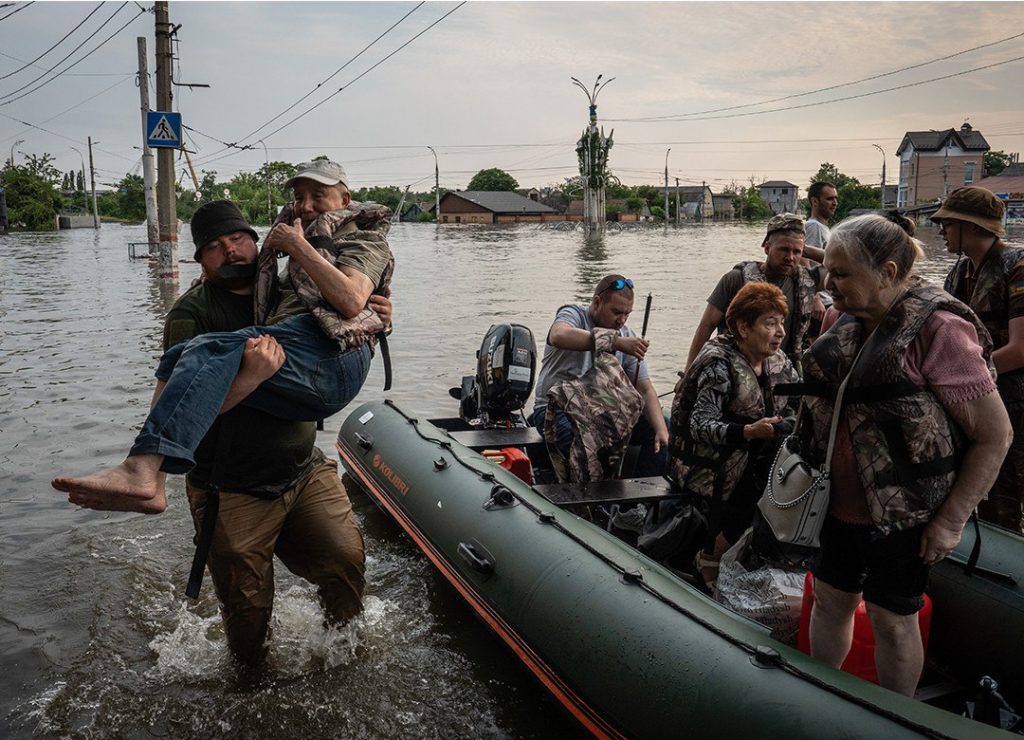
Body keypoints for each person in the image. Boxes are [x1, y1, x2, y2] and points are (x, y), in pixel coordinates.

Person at [53, 160, 393, 515]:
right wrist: (249, 377)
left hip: (301, 464)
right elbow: (187, 397)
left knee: (343, 565)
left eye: (236, 239)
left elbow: (351, 302)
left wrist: (381, 317)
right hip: (233, 481)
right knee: (183, 356)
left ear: (255, 242)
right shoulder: (193, 310)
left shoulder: (301, 268)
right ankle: (147, 473)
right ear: (199, 260)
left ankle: (144, 470)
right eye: (214, 246)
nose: (229, 250)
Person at [800, 214, 1011, 696]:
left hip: (905, 514)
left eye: (842, 273)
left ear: (888, 272)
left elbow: (995, 436)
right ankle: (821, 698)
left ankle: (897, 714)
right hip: (838, 505)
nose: (828, 283)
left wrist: (951, 521)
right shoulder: (844, 319)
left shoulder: (939, 328)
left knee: (892, 617)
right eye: (827, 271)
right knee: (831, 599)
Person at [664, 282, 800, 589]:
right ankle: (711, 556)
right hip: (704, 461)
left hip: (754, 452)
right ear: (743, 326)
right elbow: (700, 425)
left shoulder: (779, 361)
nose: (779, 332)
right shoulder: (718, 362)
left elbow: (796, 407)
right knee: (764, 467)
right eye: (769, 323)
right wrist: (747, 432)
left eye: (781, 323)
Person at [933, 186, 1024, 533]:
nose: (940, 229)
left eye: (947, 223)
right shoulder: (960, 271)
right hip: (975, 397)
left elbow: (1020, 350)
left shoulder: (1018, 267)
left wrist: (962, 379)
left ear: (972, 227)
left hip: (1014, 402)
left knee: (1006, 496)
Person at [530, 275, 669, 501]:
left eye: (627, 314)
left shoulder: (628, 336)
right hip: (555, 410)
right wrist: (614, 342)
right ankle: (588, 507)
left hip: (603, 415)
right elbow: (559, 335)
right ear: (597, 303)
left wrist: (661, 429)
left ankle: (636, 507)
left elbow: (644, 388)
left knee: (661, 429)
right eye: (616, 312)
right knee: (586, 445)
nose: (621, 320)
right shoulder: (573, 314)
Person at [686, 213, 825, 369]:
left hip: (784, 374)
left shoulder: (807, 280)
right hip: (737, 370)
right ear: (767, 247)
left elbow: (849, 266)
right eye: (783, 249)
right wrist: (689, 373)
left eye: (796, 252)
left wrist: (805, 249)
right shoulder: (735, 279)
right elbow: (706, 326)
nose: (790, 257)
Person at [801, 181, 839, 263]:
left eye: (836, 198)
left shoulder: (823, 228)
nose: (835, 203)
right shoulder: (814, 226)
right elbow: (806, 261)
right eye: (829, 199)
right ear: (815, 201)